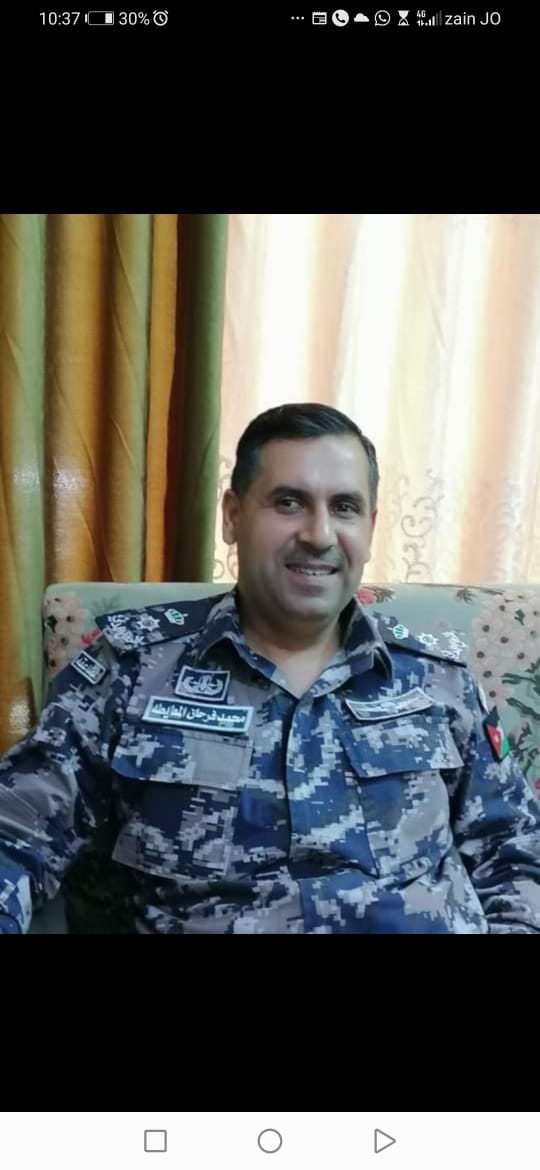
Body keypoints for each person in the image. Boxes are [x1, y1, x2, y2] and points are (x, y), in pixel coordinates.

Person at [1, 402, 539, 933]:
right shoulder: (131, 667)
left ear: (370, 528)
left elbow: (517, 850)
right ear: (232, 516)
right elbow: (16, 835)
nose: (320, 535)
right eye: (289, 502)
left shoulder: (439, 680)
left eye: (345, 507)